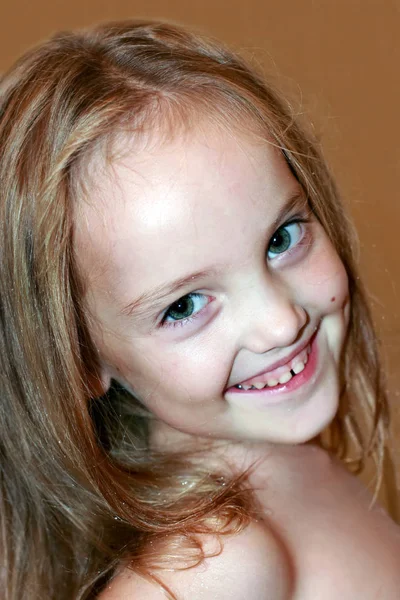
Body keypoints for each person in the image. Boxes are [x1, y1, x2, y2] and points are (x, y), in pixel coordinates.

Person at [0, 19, 399, 600]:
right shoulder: (213, 565)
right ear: (80, 359)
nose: (281, 322)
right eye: (185, 305)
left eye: (282, 239)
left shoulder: (285, 460)